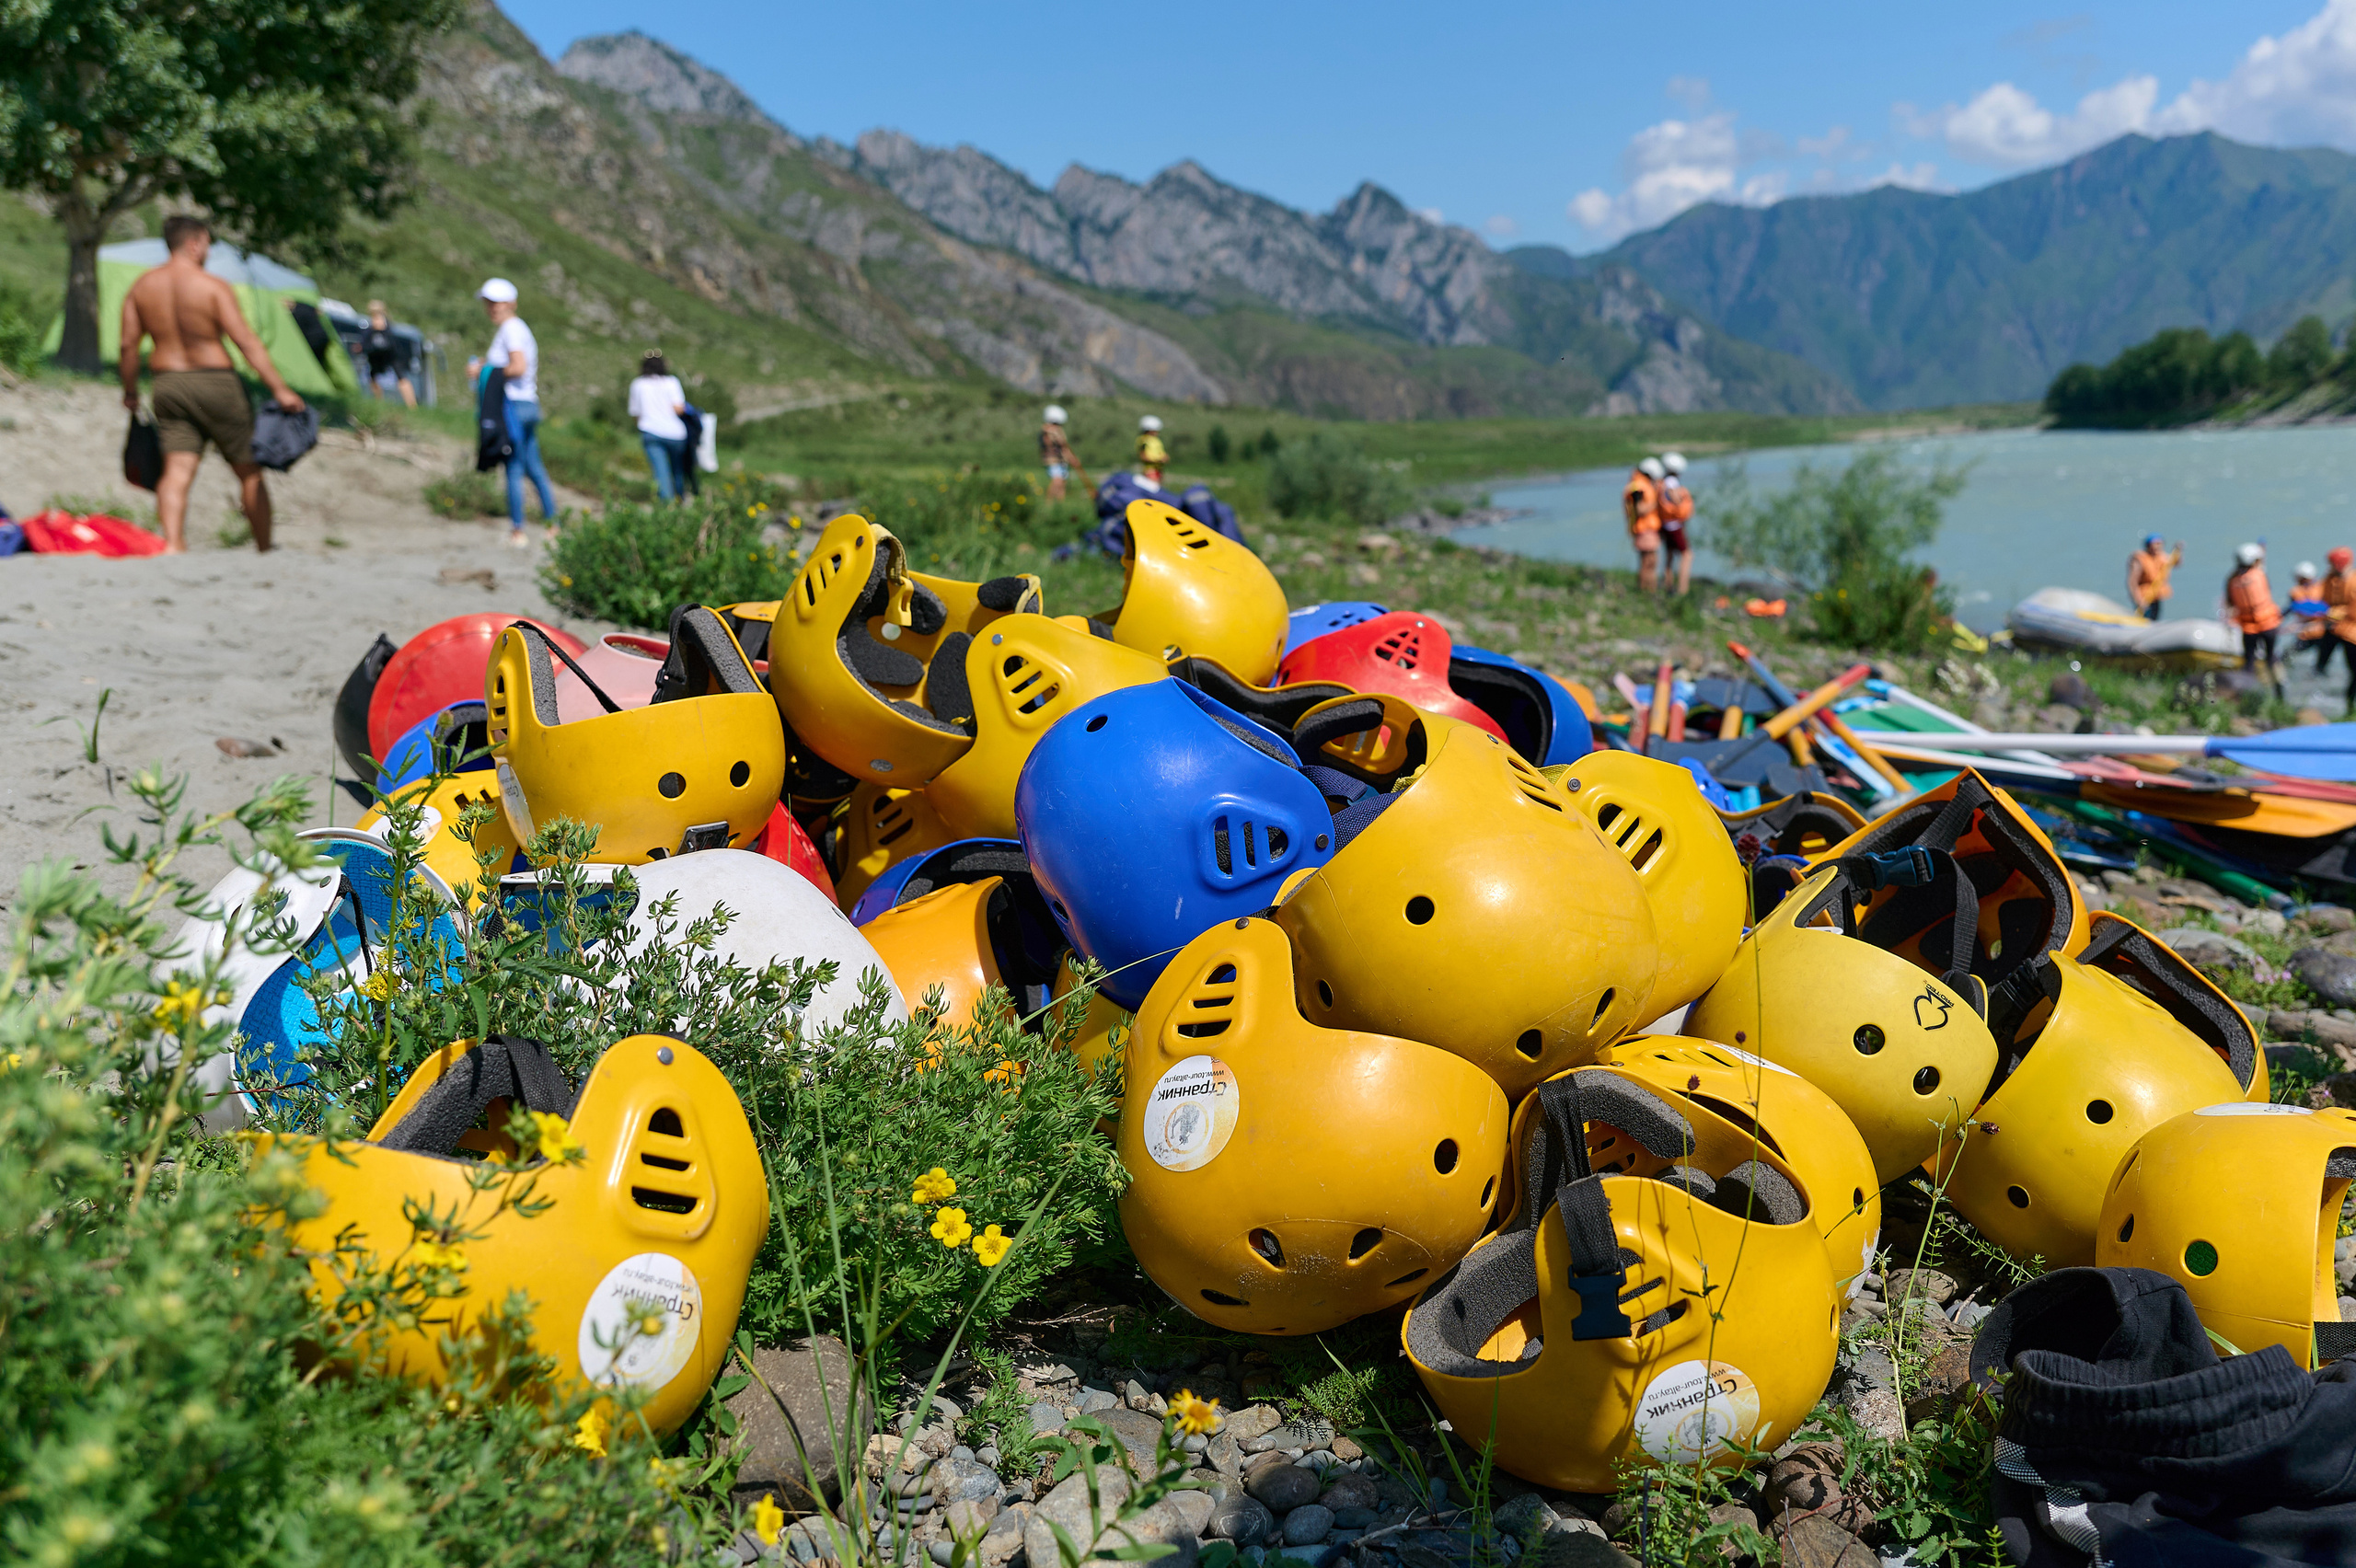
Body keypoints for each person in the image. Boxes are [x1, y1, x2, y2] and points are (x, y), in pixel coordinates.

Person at [117, 215, 305, 554]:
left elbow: (128, 346)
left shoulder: (142, 287)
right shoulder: (213, 287)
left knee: (176, 469)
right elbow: (246, 341)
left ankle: (173, 545)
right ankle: (264, 548)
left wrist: (130, 391)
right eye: (207, 245)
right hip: (216, 382)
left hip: (168, 384)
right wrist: (280, 389)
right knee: (248, 470)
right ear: (196, 242)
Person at [468, 278, 555, 548]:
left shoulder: (511, 329)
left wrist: (484, 371)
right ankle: (553, 526)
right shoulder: (516, 328)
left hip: (513, 407)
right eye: (489, 303)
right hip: (527, 404)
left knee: (514, 468)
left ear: (511, 304)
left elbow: (517, 366)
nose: (492, 308)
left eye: (497, 303)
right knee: (535, 468)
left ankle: (518, 531)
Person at [627, 351, 690, 502]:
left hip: (651, 432)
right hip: (676, 434)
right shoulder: (672, 382)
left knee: (661, 472)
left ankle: (667, 508)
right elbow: (679, 408)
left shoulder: (638, 384)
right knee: (677, 470)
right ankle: (681, 498)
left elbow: (635, 413)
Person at [2226, 542, 2283, 697]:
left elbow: (2231, 602)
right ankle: (2280, 693)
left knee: (2249, 662)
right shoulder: (2259, 575)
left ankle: (2244, 694)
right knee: (2271, 658)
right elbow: (2260, 569)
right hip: (2268, 625)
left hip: (2248, 628)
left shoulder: (2232, 581)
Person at [362, 300, 416, 408]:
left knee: (401, 378)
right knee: (373, 377)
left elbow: (389, 341)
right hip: (377, 355)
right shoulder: (370, 324)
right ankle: (379, 403)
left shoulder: (386, 323)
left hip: (391, 355)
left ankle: (412, 405)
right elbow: (366, 341)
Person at [1623, 455, 1665, 594]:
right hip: (1644, 529)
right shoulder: (1637, 487)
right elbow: (1640, 509)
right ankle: (1647, 593)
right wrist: (1656, 501)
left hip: (1646, 529)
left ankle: (1647, 592)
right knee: (1648, 564)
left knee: (1650, 563)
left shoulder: (1638, 484)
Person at [1657, 450, 1695, 596]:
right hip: (1674, 525)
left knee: (1669, 555)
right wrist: (1682, 501)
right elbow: (1676, 500)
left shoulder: (1662, 482)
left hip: (1666, 524)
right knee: (1687, 555)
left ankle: (1667, 586)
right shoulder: (1671, 483)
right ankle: (1682, 590)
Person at [2320, 548, 2356, 684]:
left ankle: (2349, 702)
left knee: (2353, 671)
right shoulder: (2330, 580)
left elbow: (2353, 612)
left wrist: (2335, 613)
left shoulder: (2353, 582)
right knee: (2321, 664)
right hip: (2333, 628)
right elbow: (2324, 600)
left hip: (2351, 633)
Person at [2128, 535, 2183, 620]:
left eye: (2159, 544)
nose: (2157, 547)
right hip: (2144, 596)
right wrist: (2139, 601)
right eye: (2155, 544)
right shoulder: (2140, 559)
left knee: (2155, 618)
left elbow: (2176, 563)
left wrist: (2178, 551)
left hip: (2156, 595)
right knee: (2144, 618)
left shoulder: (2162, 557)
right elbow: (2132, 582)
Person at [1041, 405, 1077, 502]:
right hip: (1053, 460)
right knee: (1057, 481)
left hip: (1062, 460)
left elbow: (1064, 446)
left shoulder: (1059, 431)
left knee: (1062, 482)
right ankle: (1049, 502)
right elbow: (1048, 443)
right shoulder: (1047, 431)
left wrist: (1071, 457)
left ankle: (1060, 503)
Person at [1136, 414, 1168, 489]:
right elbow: (1143, 456)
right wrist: (1158, 460)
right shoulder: (1143, 440)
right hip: (1150, 471)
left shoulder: (1156, 440)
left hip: (1158, 470)